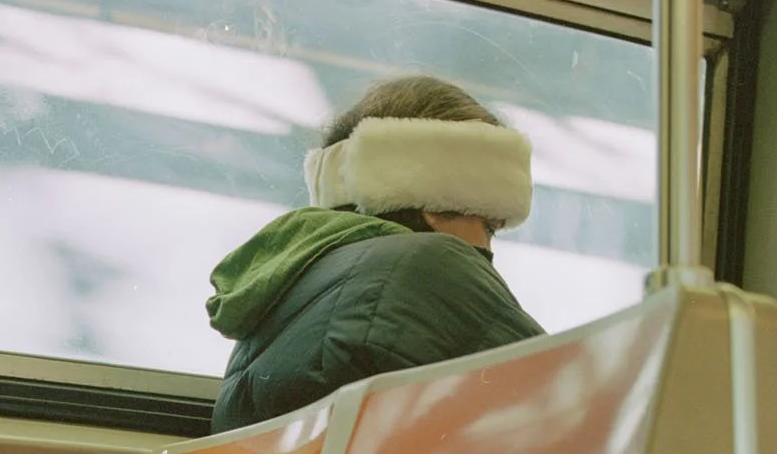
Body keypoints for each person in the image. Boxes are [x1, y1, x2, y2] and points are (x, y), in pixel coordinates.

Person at [206, 75, 545, 434]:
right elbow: (562, 404)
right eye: (489, 227)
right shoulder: (429, 265)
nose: (488, 249)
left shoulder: (284, 296)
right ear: (439, 204)